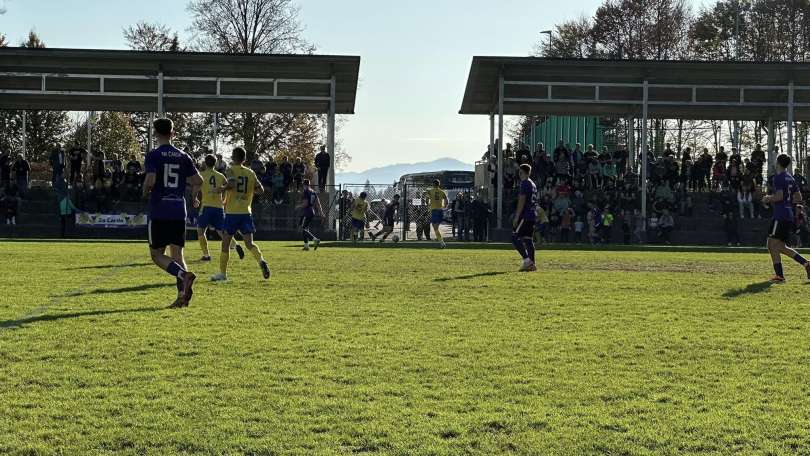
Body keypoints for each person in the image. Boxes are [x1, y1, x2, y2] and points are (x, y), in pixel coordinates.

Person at [143, 118, 201, 309]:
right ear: (173, 133)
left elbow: (150, 180)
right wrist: (193, 197)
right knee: (177, 255)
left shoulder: (154, 155)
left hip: (160, 209)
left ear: (156, 133)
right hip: (178, 211)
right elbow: (198, 180)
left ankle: (183, 276)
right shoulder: (183, 156)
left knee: (157, 255)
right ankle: (182, 296)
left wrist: (144, 191)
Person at [211, 147, 271, 282]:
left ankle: (223, 274)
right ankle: (261, 261)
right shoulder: (251, 173)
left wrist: (221, 188)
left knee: (225, 244)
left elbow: (231, 184)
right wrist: (248, 193)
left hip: (233, 213)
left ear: (233, 157)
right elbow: (261, 190)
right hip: (246, 212)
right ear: (244, 159)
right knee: (250, 243)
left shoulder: (231, 170)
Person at [761, 154, 810, 282]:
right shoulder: (791, 178)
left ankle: (780, 276)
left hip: (780, 215)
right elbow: (798, 198)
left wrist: (767, 198)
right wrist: (788, 203)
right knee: (781, 246)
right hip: (788, 215)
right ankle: (806, 263)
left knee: (771, 244)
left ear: (778, 162)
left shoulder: (778, 178)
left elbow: (779, 196)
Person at [194, 154, 245, 262]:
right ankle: (235, 245)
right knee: (221, 231)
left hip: (206, 206)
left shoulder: (201, 175)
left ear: (205, 163)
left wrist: (195, 198)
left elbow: (196, 187)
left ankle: (206, 255)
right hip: (219, 207)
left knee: (200, 231)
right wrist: (225, 200)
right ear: (215, 163)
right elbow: (228, 187)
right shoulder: (220, 176)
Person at [512, 164, 538, 271]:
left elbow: (522, 200)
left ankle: (527, 260)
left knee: (514, 237)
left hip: (525, 215)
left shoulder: (525, 183)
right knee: (528, 240)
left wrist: (517, 216)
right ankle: (532, 264)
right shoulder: (533, 184)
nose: (519, 174)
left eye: (520, 172)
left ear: (525, 172)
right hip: (532, 215)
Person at [298, 179, 323, 251]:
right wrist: (321, 212)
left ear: (304, 185)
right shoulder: (313, 192)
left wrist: (298, 206)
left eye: (303, 185)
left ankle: (315, 239)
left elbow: (305, 204)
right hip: (312, 212)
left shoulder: (306, 192)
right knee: (306, 229)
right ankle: (306, 246)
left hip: (306, 212)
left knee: (303, 229)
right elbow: (318, 203)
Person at [426, 179, 449, 248]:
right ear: (439, 184)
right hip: (440, 210)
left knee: (435, 228)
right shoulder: (442, 192)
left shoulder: (430, 191)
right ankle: (440, 241)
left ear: (433, 184)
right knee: (436, 227)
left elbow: (426, 200)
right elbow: (446, 201)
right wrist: (444, 207)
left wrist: (429, 204)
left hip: (434, 211)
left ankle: (442, 242)